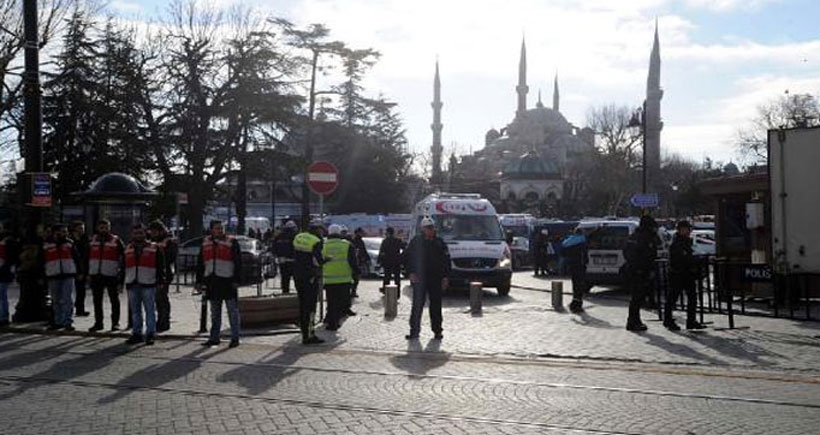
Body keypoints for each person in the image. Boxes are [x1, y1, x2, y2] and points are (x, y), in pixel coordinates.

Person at [196, 220, 242, 348]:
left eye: (221, 228)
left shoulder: (232, 241)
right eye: (217, 228)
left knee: (232, 311)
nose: (219, 230)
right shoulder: (205, 242)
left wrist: (237, 280)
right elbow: (200, 263)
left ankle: (235, 338)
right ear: (211, 229)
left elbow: (238, 262)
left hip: (228, 281)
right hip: (212, 280)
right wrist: (198, 281)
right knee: (215, 312)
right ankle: (214, 337)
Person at [404, 216, 450, 340]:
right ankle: (414, 331)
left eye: (432, 228)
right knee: (417, 306)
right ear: (422, 229)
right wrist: (411, 272)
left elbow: (446, 261)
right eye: (428, 228)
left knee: (436, 306)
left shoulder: (440, 242)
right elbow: (407, 257)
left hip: (436, 278)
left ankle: (437, 331)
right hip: (420, 278)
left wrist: (445, 277)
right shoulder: (416, 241)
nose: (430, 230)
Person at [124, 224, 165, 345]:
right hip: (132, 282)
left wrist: (160, 281)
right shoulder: (128, 248)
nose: (138, 235)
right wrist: (121, 282)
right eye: (136, 233)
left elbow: (160, 265)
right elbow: (123, 266)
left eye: (140, 233)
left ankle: (150, 334)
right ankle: (137, 333)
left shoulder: (154, 247)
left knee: (150, 309)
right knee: (135, 311)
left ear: (145, 233)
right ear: (132, 234)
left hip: (149, 282)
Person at [665, 220, 705, 331]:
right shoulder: (677, 243)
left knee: (692, 298)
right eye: (685, 229)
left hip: (687, 274)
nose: (688, 231)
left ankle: (691, 321)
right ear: (680, 230)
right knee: (672, 298)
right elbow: (681, 259)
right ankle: (668, 320)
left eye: (688, 229)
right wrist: (693, 260)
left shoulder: (687, 241)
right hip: (677, 274)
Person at [623, 215, 661, 332]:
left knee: (637, 297)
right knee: (637, 297)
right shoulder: (643, 237)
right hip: (640, 271)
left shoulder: (635, 236)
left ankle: (634, 320)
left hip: (636, 270)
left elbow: (626, 252)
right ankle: (633, 321)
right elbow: (644, 254)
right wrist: (641, 268)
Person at [87, 219, 126, 332]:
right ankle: (98, 323)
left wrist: (121, 278)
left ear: (109, 228)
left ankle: (115, 323)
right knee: (97, 301)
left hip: (111, 274)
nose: (104, 229)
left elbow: (123, 258)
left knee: (114, 300)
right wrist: (87, 273)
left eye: (106, 227)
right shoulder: (92, 240)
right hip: (96, 274)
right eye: (101, 227)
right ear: (98, 228)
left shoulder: (116, 240)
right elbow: (87, 257)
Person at [41, 223, 81, 331]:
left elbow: (77, 258)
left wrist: (79, 272)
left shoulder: (69, 244)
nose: (65, 234)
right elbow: (41, 260)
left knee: (67, 299)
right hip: (53, 274)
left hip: (68, 273)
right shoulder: (47, 245)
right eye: (62, 231)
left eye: (65, 231)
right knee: (56, 300)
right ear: (55, 232)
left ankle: (67, 321)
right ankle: (58, 321)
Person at [293, 219, 326, 345]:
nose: (322, 232)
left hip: (297, 275)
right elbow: (319, 261)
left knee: (302, 305)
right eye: (321, 230)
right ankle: (309, 335)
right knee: (311, 306)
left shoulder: (298, 237)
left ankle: (304, 332)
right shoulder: (316, 241)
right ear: (317, 229)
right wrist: (327, 260)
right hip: (310, 277)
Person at [322, 224, 358, 331]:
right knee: (340, 301)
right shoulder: (347, 245)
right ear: (340, 233)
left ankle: (329, 318)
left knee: (331, 300)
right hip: (344, 278)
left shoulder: (323, 244)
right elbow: (353, 261)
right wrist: (356, 272)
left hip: (329, 278)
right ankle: (334, 323)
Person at [149, 220, 177, 333]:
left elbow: (170, 257)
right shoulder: (151, 241)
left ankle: (164, 321)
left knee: (161, 298)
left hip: (165, 273)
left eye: (154, 232)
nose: (152, 234)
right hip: (152, 272)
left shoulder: (169, 241)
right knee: (157, 299)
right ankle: (160, 320)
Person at [0, 222, 20, 327]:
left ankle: (3, 317)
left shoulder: (8, 241)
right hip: (4, 270)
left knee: (2, 295)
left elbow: (12, 257)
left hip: (3, 272)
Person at [564, 228, 589, 313]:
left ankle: (574, 302)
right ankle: (577, 304)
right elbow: (585, 256)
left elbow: (563, 252)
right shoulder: (582, 243)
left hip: (572, 266)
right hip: (580, 266)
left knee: (575, 285)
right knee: (580, 285)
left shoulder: (569, 242)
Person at [71, 221, 90, 317]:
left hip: (82, 267)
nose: (82, 230)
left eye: (83, 228)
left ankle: (80, 308)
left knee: (81, 290)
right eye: (80, 228)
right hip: (71, 267)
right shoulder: (71, 241)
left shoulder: (86, 239)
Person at [273, 220, 298, 294]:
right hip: (293, 261)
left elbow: (274, 248)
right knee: (297, 280)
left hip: (282, 261)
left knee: (285, 279)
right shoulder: (295, 236)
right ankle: (298, 296)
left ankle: (285, 294)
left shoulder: (278, 236)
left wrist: (278, 256)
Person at [378, 227, 404, 294]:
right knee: (397, 278)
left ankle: (385, 291)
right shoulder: (398, 240)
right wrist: (401, 258)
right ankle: (397, 293)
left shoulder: (385, 241)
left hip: (387, 262)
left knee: (387, 277)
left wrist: (380, 261)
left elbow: (381, 252)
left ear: (388, 233)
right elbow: (404, 248)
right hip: (396, 262)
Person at [350, 227, 369, 302]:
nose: (362, 233)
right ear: (357, 233)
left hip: (359, 261)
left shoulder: (360, 240)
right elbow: (360, 251)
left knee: (356, 278)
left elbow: (363, 250)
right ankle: (353, 291)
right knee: (355, 277)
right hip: (356, 261)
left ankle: (353, 291)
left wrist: (367, 258)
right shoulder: (355, 241)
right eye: (361, 232)